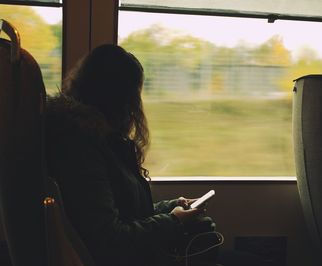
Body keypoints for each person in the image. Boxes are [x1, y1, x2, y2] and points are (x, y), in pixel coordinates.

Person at [45, 44, 218, 266]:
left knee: (208, 232)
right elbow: (109, 238)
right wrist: (174, 221)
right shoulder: (80, 149)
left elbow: (125, 213)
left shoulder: (96, 139)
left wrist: (173, 205)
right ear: (121, 98)